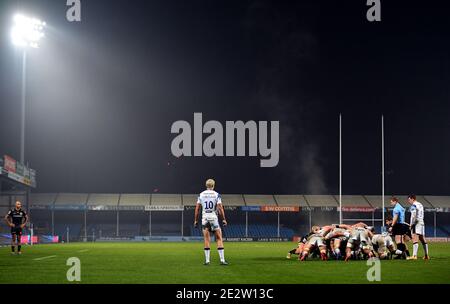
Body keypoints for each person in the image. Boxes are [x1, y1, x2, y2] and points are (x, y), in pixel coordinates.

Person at [194, 179, 228, 265]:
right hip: (213, 218)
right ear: (213, 185)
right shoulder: (216, 194)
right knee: (219, 239)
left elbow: (197, 209)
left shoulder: (201, 195)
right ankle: (222, 260)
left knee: (206, 239)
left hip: (205, 218)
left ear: (206, 185)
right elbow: (220, 208)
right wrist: (224, 219)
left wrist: (195, 220)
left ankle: (207, 261)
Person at [406, 195, 430, 260]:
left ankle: (414, 256)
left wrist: (411, 224)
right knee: (422, 238)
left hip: (416, 223)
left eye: (409, 200)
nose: (409, 201)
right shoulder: (420, 204)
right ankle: (426, 255)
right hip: (421, 222)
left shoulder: (413, 205)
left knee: (414, 237)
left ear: (412, 199)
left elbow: (413, 215)